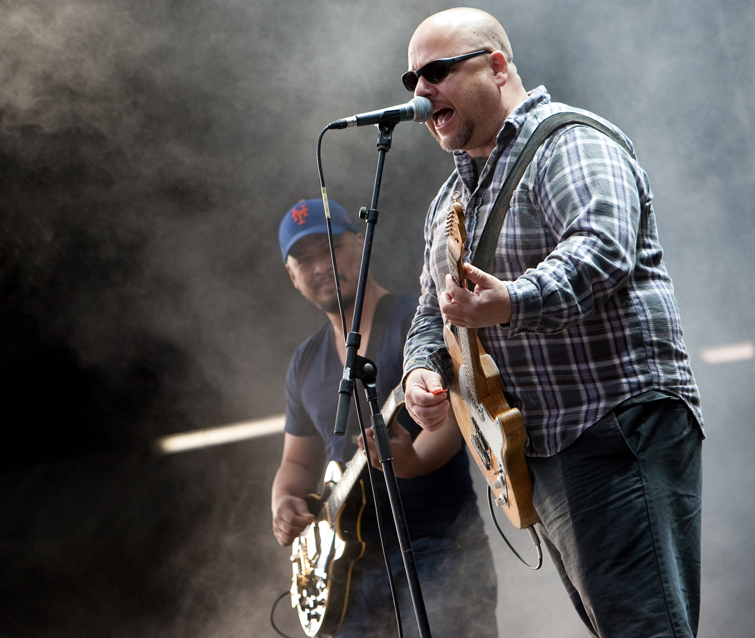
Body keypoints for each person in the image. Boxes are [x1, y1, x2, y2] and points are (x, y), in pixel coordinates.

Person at [401, 8, 704, 638]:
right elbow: (430, 313)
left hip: (615, 425)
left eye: (436, 71)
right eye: (411, 80)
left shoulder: (567, 141)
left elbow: (600, 248)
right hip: (545, 447)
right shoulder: (448, 203)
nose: (421, 91)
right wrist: (422, 373)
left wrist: (511, 300)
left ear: (497, 65)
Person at [271, 198, 498, 637]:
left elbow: (455, 419)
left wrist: (409, 460)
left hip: (436, 549)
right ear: (291, 274)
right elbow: (296, 464)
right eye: (305, 258)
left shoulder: (417, 320)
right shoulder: (304, 363)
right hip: (348, 576)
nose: (321, 266)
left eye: (331, 248)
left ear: (360, 241)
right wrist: (283, 505)